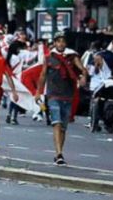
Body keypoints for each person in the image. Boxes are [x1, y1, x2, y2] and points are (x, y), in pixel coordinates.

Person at [34, 33, 87, 166]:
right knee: (56, 123)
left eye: (63, 41)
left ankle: (59, 152)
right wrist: (38, 92)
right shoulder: (49, 58)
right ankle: (58, 154)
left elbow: (82, 70)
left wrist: (83, 77)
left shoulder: (72, 57)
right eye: (58, 41)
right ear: (55, 43)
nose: (61, 44)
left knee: (63, 127)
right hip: (53, 95)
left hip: (68, 95)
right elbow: (42, 75)